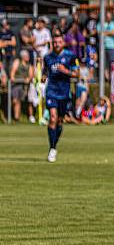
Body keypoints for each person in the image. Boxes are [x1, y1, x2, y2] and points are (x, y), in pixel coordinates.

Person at [43, 31, 79, 162]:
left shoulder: (70, 56)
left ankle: (54, 144)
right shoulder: (47, 57)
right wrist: (42, 77)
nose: (57, 44)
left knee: (59, 121)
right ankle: (52, 148)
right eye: (55, 42)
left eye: (59, 42)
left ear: (63, 43)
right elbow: (45, 72)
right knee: (52, 118)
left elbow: (77, 73)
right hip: (51, 91)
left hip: (64, 93)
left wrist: (66, 71)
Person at [10, 51, 34, 122]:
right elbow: (12, 75)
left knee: (19, 101)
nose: (28, 57)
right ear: (23, 56)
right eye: (26, 56)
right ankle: (11, 115)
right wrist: (14, 78)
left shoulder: (29, 65)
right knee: (14, 100)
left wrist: (28, 79)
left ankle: (16, 118)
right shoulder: (17, 62)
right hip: (15, 85)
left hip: (24, 86)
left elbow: (31, 76)